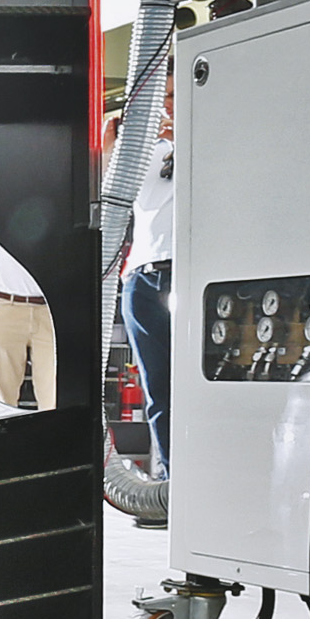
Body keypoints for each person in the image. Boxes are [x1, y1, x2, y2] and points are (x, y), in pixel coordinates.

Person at [118, 65, 178, 475]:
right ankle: (170, 481)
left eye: (174, 96)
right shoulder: (143, 153)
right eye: (163, 98)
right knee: (158, 389)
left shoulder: (214, 142)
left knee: (197, 383)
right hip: (143, 277)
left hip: (191, 276)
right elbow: (110, 197)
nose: (168, 107)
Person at [0, 201, 54, 407]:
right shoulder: (4, 205)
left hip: (50, 309)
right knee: (1, 397)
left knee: (54, 395)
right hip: (7, 304)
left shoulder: (56, 204)